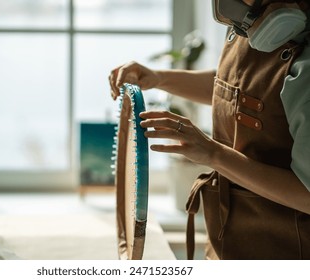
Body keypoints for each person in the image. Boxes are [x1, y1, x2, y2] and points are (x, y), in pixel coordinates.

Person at [108, 0, 310, 260]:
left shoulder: (305, 69)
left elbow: (307, 195)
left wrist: (213, 154)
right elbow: (234, 88)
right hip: (227, 239)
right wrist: (160, 78)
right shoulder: (251, 28)